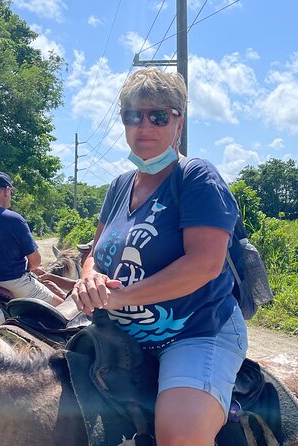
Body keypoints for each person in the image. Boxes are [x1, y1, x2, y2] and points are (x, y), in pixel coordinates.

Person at [71, 68, 247, 446]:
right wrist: (90, 278)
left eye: (158, 116)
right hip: (118, 331)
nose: (144, 125)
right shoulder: (120, 185)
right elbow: (95, 253)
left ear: (178, 122)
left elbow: (204, 264)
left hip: (196, 331)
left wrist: (120, 296)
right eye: (133, 115)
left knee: (179, 438)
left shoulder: (197, 177)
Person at [0, 171, 65, 306]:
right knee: (61, 308)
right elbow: (35, 261)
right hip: (13, 284)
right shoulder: (14, 219)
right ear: (7, 191)